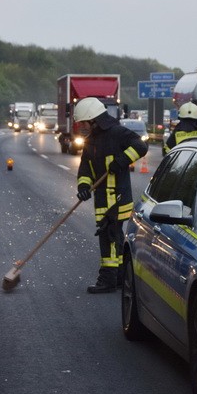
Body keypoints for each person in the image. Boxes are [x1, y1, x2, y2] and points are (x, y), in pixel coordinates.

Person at [74, 97, 149, 294]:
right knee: (109, 237)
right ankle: (117, 277)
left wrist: (122, 160)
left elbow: (141, 146)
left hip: (118, 198)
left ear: (93, 119)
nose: (82, 126)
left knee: (112, 236)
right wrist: (83, 187)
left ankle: (108, 279)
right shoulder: (91, 141)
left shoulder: (117, 132)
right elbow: (85, 169)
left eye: (83, 122)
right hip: (102, 200)